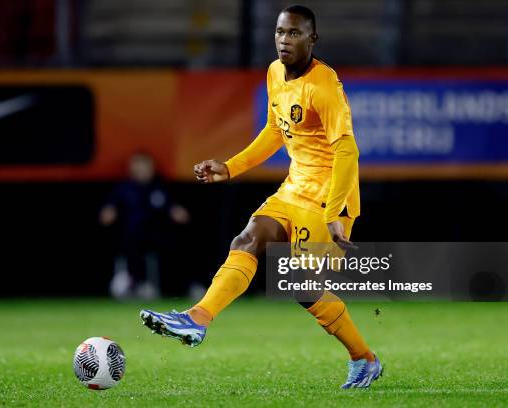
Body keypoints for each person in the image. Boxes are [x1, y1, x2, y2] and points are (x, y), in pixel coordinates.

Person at [140, 5, 382, 389]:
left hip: (327, 197)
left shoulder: (324, 86)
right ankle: (198, 318)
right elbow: (274, 129)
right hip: (293, 187)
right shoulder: (274, 72)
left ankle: (364, 358)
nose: (285, 40)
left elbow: (347, 151)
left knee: (303, 288)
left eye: (295, 34)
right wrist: (231, 167)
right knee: (249, 238)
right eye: (280, 32)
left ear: (312, 39)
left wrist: (336, 212)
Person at [100, 153, 189, 299]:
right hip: (130, 236)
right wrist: (108, 212)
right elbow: (108, 210)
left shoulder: (160, 187)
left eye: (145, 167)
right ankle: (134, 283)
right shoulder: (123, 188)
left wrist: (177, 212)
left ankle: (181, 287)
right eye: (138, 167)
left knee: (174, 244)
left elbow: (174, 209)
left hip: (156, 235)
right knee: (131, 243)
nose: (141, 171)